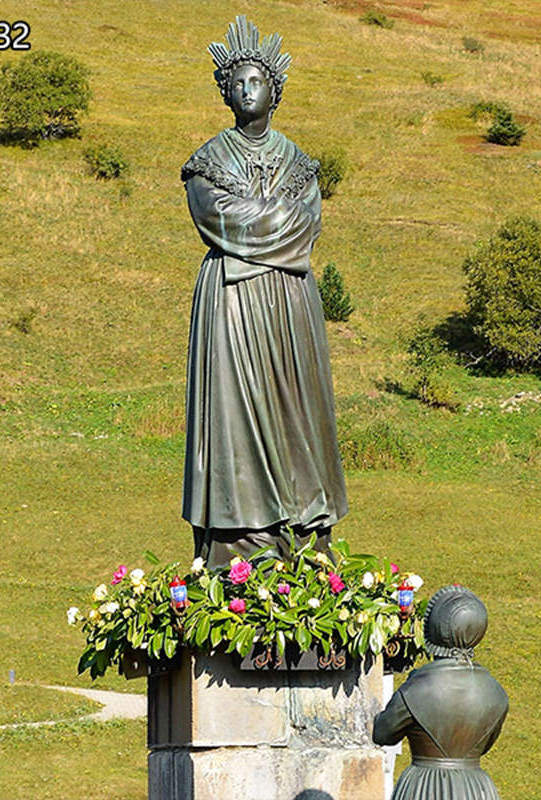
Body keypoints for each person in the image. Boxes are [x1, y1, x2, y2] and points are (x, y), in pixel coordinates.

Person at [180, 16, 348, 568]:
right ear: (225, 92)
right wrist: (276, 222)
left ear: (274, 91)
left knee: (295, 406)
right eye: (237, 84)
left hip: (288, 303)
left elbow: (309, 226)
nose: (246, 91)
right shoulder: (208, 161)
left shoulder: (299, 163)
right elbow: (215, 217)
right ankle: (241, 543)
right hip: (230, 306)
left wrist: (258, 234)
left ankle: (303, 532)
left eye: (256, 82)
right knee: (234, 410)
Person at [373, 585, 509, 800]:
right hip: (474, 788)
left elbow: (382, 733)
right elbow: (484, 746)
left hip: (422, 787)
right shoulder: (496, 693)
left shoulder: (416, 688)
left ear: (434, 631)